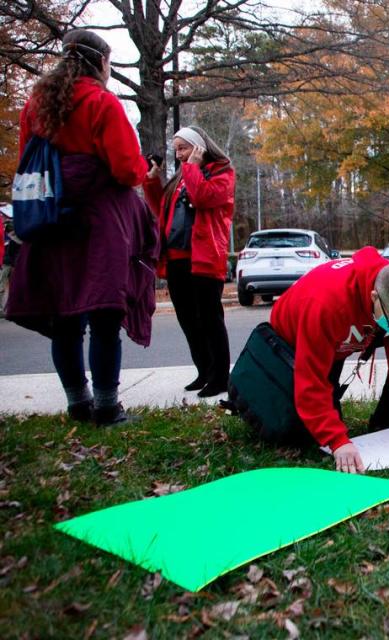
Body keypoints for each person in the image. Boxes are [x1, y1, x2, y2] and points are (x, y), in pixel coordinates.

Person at [6, 30, 158, 425]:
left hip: (51, 221)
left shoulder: (36, 105)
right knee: (105, 317)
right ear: (99, 62)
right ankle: (107, 407)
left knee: (65, 319)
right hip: (98, 224)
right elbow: (126, 170)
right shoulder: (101, 103)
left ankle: (77, 403)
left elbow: (27, 160)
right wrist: (146, 170)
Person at [269, 247, 389, 474]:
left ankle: (385, 415)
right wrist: (338, 441)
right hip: (293, 339)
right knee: (307, 434)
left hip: (357, 326)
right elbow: (311, 380)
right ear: (374, 296)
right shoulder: (326, 306)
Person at [144, 126, 235, 397]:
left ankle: (220, 377)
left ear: (199, 147)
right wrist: (152, 180)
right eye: (177, 150)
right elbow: (162, 208)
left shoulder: (222, 173)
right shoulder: (182, 176)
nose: (180, 154)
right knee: (188, 320)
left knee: (210, 319)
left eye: (184, 148)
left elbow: (203, 197)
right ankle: (204, 371)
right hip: (176, 260)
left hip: (204, 258)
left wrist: (193, 167)